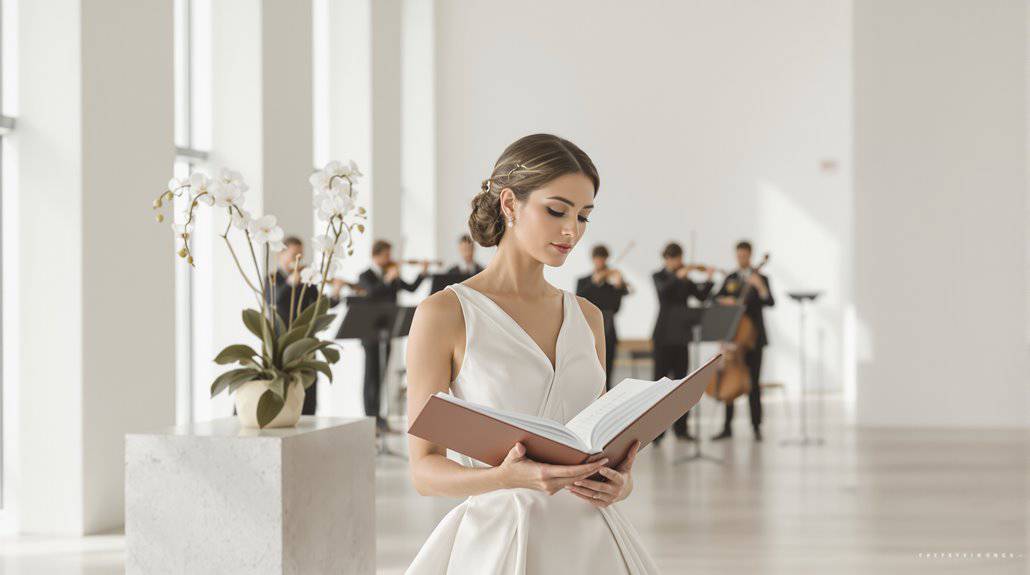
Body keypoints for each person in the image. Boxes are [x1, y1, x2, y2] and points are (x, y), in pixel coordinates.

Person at [404, 134, 658, 573]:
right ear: (509, 204)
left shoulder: (587, 316)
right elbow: (424, 471)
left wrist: (621, 484)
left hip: (596, 544)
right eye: (557, 211)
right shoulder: (445, 314)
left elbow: (596, 443)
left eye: (583, 216)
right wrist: (501, 478)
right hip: (503, 541)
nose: (572, 230)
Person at [267, 236, 345, 415]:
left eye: (301, 256)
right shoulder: (271, 278)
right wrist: (290, 283)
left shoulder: (306, 279)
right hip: (282, 343)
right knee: (287, 385)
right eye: (294, 255)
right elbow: (273, 301)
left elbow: (320, 305)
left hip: (306, 340)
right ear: (281, 254)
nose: (298, 260)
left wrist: (335, 293)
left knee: (309, 382)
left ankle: (310, 417)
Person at [358, 239, 429, 433]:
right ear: (376, 255)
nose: (390, 259)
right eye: (386, 255)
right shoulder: (365, 275)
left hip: (387, 333)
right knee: (371, 377)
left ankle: (380, 418)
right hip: (370, 335)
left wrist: (423, 273)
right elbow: (372, 293)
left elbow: (411, 288)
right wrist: (387, 280)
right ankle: (370, 417)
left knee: (382, 375)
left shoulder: (392, 273)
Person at [650, 242, 714, 444]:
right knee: (659, 385)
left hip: (681, 336)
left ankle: (682, 429)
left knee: (682, 386)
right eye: (674, 259)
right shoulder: (658, 276)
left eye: (679, 258)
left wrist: (709, 279)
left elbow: (701, 296)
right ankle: (656, 433)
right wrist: (678, 276)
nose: (678, 262)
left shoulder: (685, 278)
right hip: (663, 336)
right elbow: (663, 293)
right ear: (667, 259)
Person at [711, 240, 774, 442]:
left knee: (753, 383)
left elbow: (770, 301)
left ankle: (756, 426)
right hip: (733, 338)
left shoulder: (761, 278)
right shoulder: (731, 277)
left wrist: (760, 287)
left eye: (745, 256)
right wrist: (726, 300)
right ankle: (727, 427)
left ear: (750, 255)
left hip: (753, 339)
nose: (742, 259)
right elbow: (714, 299)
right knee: (730, 381)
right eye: (739, 256)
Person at [575, 244, 629, 389]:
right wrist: (594, 283)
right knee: (588, 374)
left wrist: (618, 286)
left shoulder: (611, 285)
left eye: (603, 259)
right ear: (593, 259)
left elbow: (616, 308)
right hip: (589, 333)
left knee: (607, 374)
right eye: (598, 259)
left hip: (608, 332)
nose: (601, 262)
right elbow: (579, 301)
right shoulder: (583, 281)